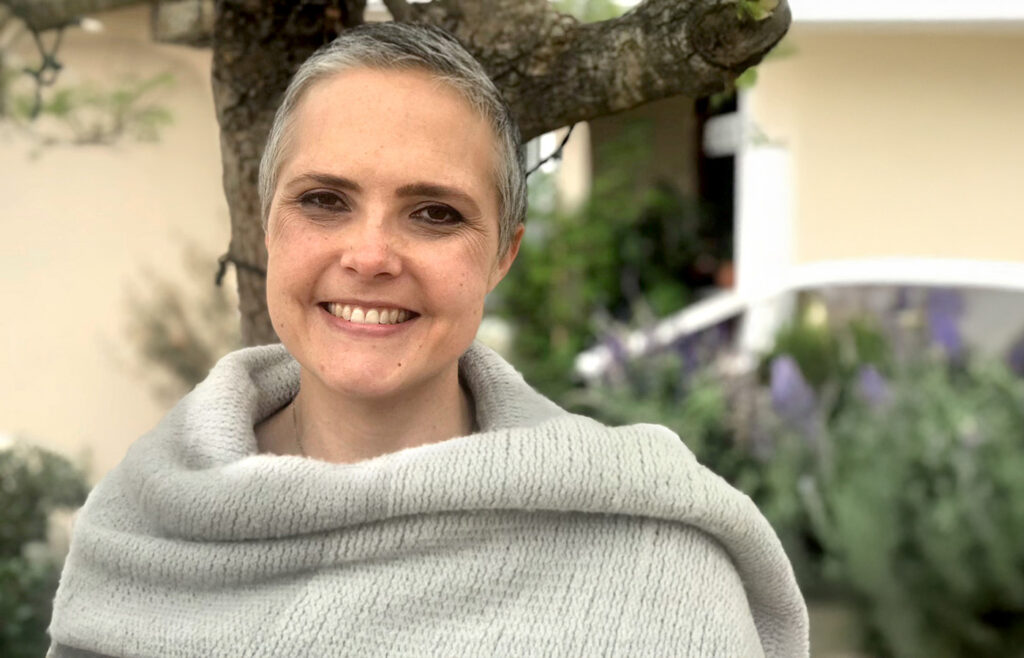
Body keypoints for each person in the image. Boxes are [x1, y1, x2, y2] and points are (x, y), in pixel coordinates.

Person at [48, 22, 808, 657]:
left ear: (502, 255)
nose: (371, 255)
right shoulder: (145, 530)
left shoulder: (654, 568)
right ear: (267, 224)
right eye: (324, 201)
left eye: (435, 214)